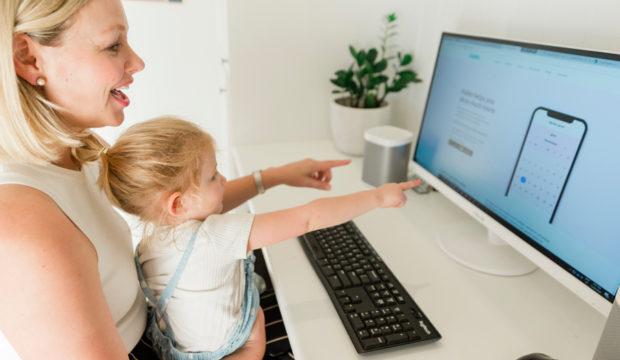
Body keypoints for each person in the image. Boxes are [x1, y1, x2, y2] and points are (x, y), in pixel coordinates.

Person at [0, 0, 352, 358]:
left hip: (166, 331)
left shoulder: (72, 156)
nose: (137, 62)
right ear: (30, 59)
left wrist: (273, 177)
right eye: (112, 45)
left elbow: (184, 206)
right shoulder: (22, 224)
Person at [95, 116, 421, 359]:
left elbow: (215, 207)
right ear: (178, 203)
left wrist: (278, 175)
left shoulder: (154, 237)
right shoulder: (215, 238)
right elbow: (309, 218)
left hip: (182, 349)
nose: (223, 179)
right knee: (260, 329)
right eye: (213, 176)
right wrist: (378, 198)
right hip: (227, 352)